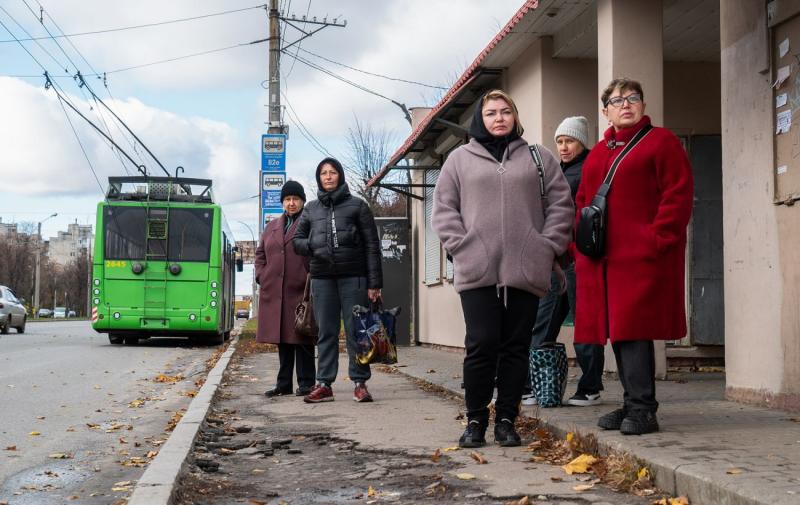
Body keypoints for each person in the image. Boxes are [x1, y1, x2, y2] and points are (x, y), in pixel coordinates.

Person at [433, 89, 573, 448]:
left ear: (514, 116)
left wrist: (546, 247)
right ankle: (476, 420)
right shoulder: (459, 160)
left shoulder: (538, 157)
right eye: (492, 112)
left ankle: (507, 420)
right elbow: (444, 210)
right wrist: (463, 249)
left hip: (526, 270)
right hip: (477, 272)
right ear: (481, 118)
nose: (499, 118)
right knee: (481, 345)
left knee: (516, 347)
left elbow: (560, 204)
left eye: (505, 111)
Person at [574, 78, 693, 435]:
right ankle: (630, 403)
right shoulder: (598, 151)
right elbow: (583, 198)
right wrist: (578, 243)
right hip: (603, 259)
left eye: (633, 98)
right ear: (605, 110)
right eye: (617, 100)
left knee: (635, 329)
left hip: (641, 256)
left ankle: (643, 409)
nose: (626, 105)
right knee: (618, 331)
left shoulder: (662, 142)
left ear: (642, 104)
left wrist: (656, 239)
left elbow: (678, 194)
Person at [523, 116, 605, 407]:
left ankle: (591, 386)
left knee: (585, 325)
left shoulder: (590, 169)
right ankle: (534, 383)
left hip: (580, 259)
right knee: (542, 323)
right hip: (557, 261)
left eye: (569, 141)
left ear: (582, 142)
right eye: (559, 141)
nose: (564, 147)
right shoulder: (557, 171)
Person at [293, 157, 382, 404]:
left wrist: (375, 284)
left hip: (354, 277)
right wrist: (313, 244)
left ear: (340, 176)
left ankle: (360, 383)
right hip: (322, 279)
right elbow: (297, 241)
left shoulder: (358, 206)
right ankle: (324, 384)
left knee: (358, 332)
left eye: (333, 172)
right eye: (324, 173)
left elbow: (372, 247)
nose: (329, 177)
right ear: (319, 178)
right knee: (326, 332)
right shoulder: (311, 209)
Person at [255, 180, 315, 398]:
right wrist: (261, 275)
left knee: (303, 335)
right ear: (282, 202)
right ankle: (283, 384)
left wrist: (310, 276)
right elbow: (260, 254)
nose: (291, 203)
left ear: (302, 202)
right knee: (283, 339)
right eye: (288, 199)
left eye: (295, 199)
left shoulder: (309, 223)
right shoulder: (272, 227)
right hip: (275, 290)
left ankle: (307, 383)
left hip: (301, 289)